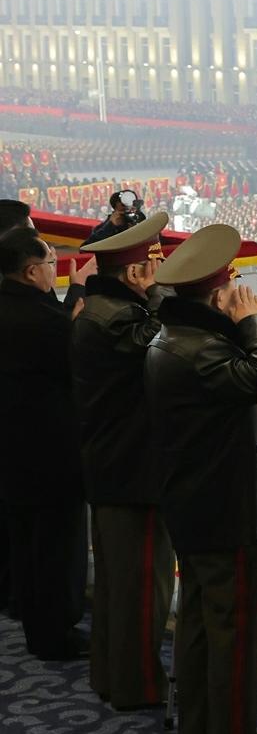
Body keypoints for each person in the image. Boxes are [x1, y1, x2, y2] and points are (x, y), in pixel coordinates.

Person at [146, 224, 257, 732]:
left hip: (197, 509)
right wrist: (256, 324)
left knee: (203, 627)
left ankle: (200, 719)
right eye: (234, 288)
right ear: (219, 292)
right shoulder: (199, 350)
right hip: (228, 515)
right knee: (235, 639)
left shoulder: (176, 337)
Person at [71, 212, 173, 709]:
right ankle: (138, 686)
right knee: (141, 589)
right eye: (152, 263)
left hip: (113, 467)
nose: (159, 271)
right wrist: (159, 297)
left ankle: (110, 675)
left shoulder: (96, 310)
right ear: (134, 273)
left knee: (118, 585)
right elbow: (171, 348)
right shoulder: (121, 321)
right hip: (136, 476)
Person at [0, 226, 91, 659]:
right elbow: (69, 350)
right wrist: (76, 294)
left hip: (13, 452)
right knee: (57, 548)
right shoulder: (39, 319)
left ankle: (36, 623)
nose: (56, 271)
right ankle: (55, 635)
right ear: (32, 271)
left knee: (25, 543)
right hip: (50, 453)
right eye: (52, 264)